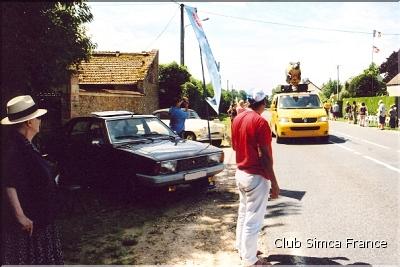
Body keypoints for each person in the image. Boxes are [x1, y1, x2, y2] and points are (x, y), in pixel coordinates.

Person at [1, 95, 63, 264]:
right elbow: (8, 183)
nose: (40, 121)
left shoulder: (26, 144)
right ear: (29, 122)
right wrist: (20, 216)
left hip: (40, 220)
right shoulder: (15, 149)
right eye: (38, 117)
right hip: (30, 225)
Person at [232, 90, 280, 266]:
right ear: (263, 103)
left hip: (240, 173)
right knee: (253, 220)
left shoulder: (238, 118)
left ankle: (243, 249)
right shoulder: (260, 122)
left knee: (243, 214)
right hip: (255, 176)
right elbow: (266, 157)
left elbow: (234, 146)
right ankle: (250, 260)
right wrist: (274, 183)